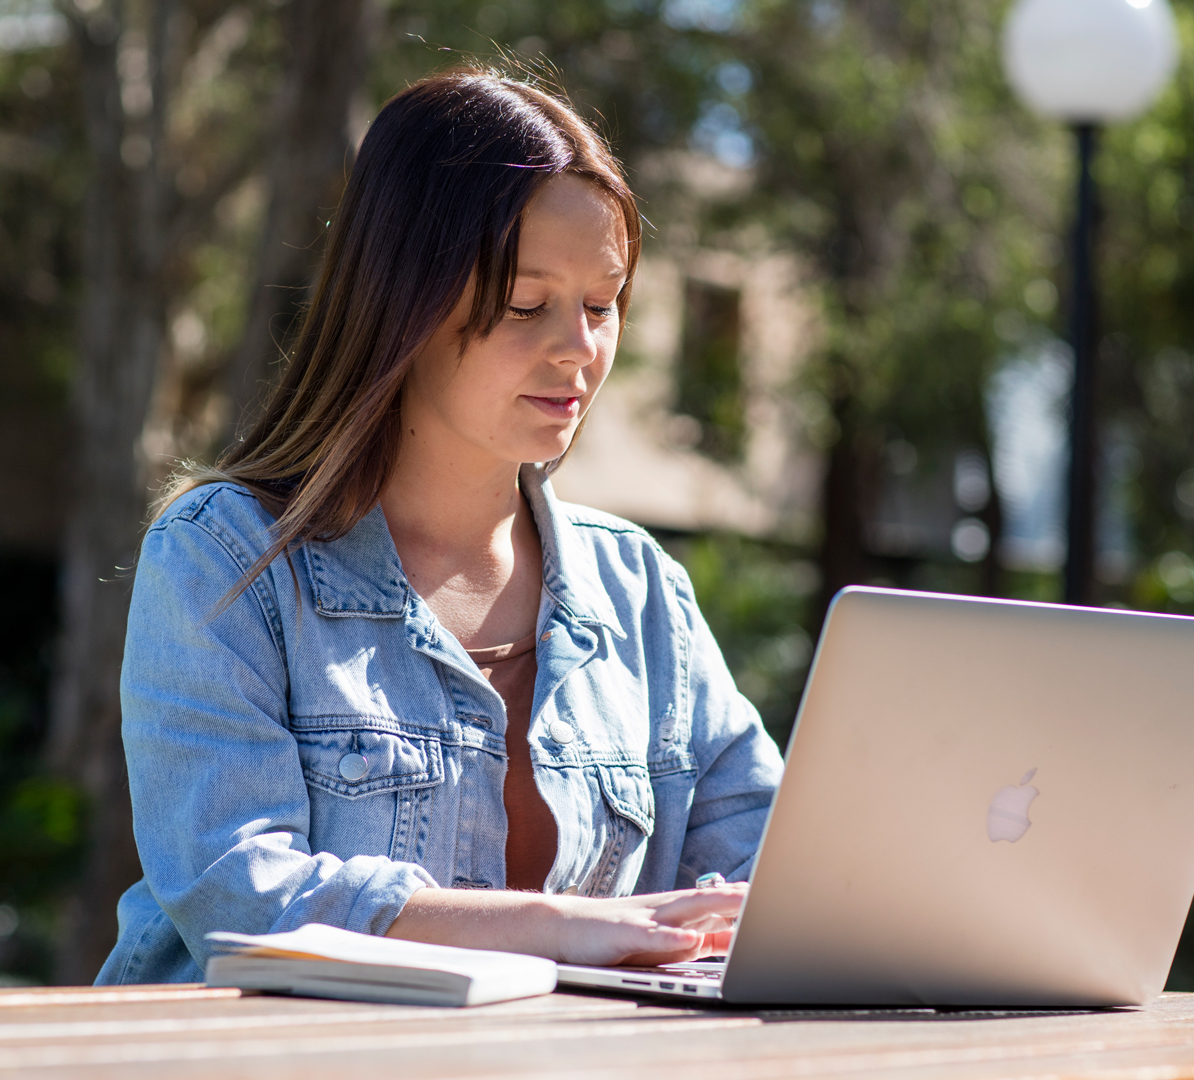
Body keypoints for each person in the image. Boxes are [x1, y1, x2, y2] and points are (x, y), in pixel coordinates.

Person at [95, 68, 784, 986]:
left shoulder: (641, 589)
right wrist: (556, 925)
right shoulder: (225, 560)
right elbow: (242, 892)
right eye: (526, 305)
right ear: (404, 300)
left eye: (602, 304)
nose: (579, 349)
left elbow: (768, 876)